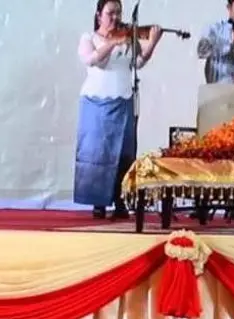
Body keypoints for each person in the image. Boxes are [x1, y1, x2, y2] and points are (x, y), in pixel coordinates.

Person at [73, 0, 162, 219]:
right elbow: (93, 60)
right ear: (99, 15)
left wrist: (152, 43)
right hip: (96, 102)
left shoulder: (127, 37)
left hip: (123, 99)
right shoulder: (89, 38)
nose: (115, 18)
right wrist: (112, 42)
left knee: (123, 152)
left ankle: (121, 201)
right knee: (97, 153)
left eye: (118, 13)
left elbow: (138, 63)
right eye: (110, 13)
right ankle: (98, 202)